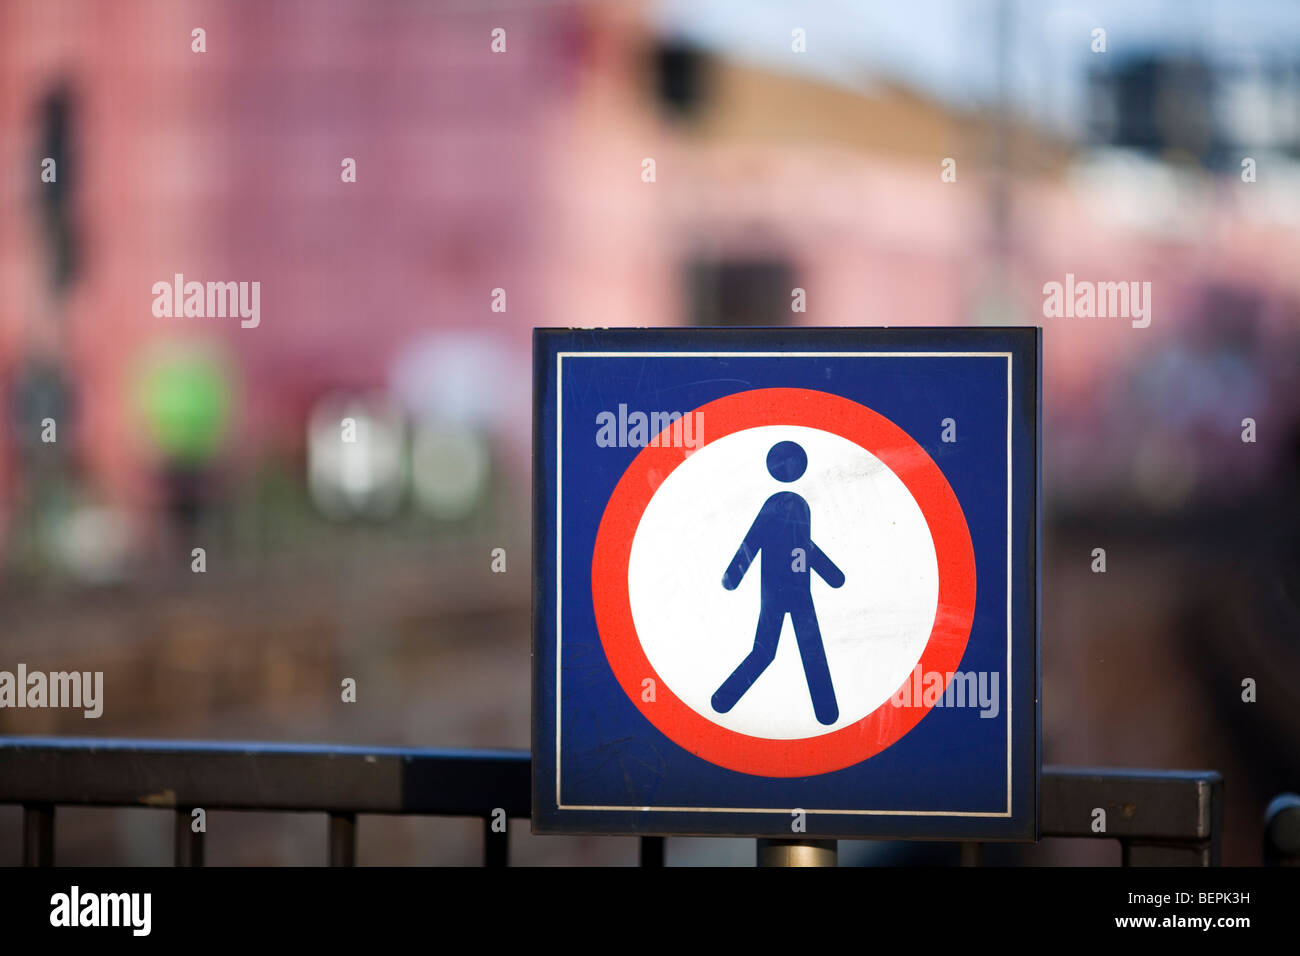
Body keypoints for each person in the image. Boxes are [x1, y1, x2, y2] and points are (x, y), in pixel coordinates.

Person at [712, 440, 845, 725]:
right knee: (790, 650)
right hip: (782, 595)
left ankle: (725, 699)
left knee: (772, 651)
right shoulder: (784, 511)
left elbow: (795, 547)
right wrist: (834, 577)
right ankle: (724, 699)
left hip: (786, 595)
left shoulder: (785, 513)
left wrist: (733, 578)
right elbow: (757, 544)